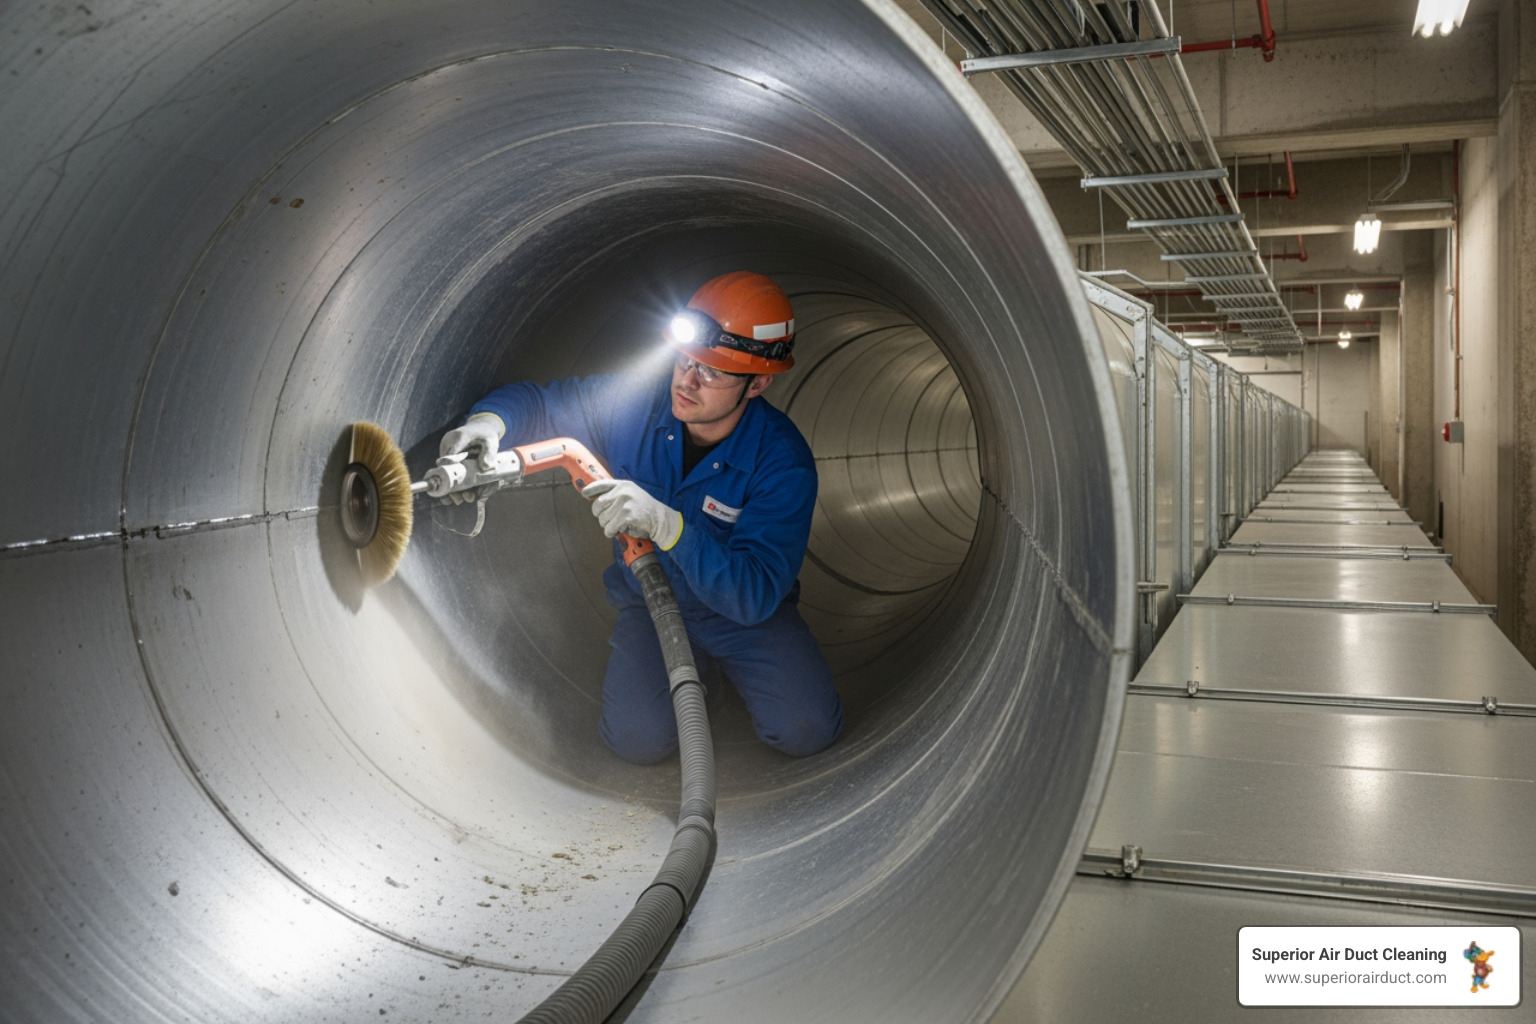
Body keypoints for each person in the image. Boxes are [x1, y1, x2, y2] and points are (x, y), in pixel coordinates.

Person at [440, 271, 844, 764]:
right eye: (684, 360)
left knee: (806, 729)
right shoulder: (635, 403)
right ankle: (702, 690)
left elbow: (756, 591)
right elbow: (541, 403)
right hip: (650, 607)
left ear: (757, 383)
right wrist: (487, 426)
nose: (687, 381)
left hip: (745, 618)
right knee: (635, 740)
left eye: (713, 372)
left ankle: (723, 674)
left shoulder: (782, 462)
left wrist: (668, 527)